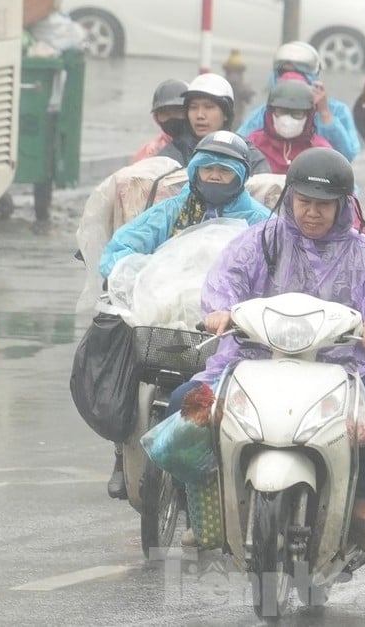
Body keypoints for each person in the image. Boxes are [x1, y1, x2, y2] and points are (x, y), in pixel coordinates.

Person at [172, 147, 365, 558]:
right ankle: (207, 508)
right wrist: (220, 311)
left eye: (324, 205)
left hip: (338, 371)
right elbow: (226, 280)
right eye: (304, 202)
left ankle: (360, 514)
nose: (313, 213)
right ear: (289, 198)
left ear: (343, 206)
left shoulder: (362, 252)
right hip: (253, 362)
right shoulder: (261, 240)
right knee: (186, 407)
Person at [97, 130, 272, 498]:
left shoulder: (260, 222)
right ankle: (122, 448)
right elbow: (124, 245)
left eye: (223, 173)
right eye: (206, 170)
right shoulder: (173, 210)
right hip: (167, 326)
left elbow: (275, 268)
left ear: (240, 177)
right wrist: (138, 271)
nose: (213, 179)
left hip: (226, 331)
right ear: (194, 172)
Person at [237, 41, 361, 162]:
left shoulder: (337, 111)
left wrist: (325, 113)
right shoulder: (263, 114)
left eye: (299, 73)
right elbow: (238, 151)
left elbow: (346, 156)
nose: (291, 79)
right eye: (284, 73)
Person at [159, 73, 270, 175]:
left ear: (226, 114)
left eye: (209, 107)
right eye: (193, 107)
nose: (200, 115)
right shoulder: (170, 157)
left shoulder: (248, 155)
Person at [245, 76, 333, 174]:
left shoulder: (321, 151)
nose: (288, 119)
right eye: (281, 111)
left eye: (297, 113)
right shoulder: (253, 145)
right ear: (270, 112)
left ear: (309, 116)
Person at [133, 79, 189, 162]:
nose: (172, 118)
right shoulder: (150, 152)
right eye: (166, 113)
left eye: (177, 111)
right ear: (156, 118)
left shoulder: (205, 143)